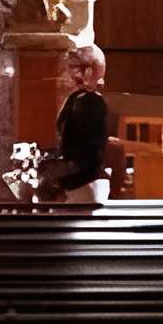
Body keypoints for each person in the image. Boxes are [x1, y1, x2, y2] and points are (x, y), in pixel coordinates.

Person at [50, 42, 113, 206]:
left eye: (76, 68)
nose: (70, 73)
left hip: (87, 184)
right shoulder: (75, 99)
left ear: (91, 71)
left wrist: (61, 169)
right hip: (74, 183)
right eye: (70, 68)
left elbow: (91, 153)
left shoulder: (93, 104)